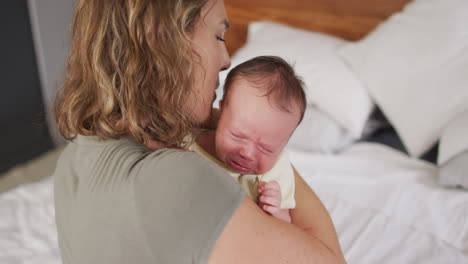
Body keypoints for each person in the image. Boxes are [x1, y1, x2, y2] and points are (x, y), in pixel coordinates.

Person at [53, 0, 346, 263]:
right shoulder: (180, 176)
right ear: (163, 40)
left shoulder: (74, 154)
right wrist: (263, 141)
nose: (227, 58)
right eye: (218, 36)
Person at [190, 56, 306, 223]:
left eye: (266, 148)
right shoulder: (190, 143)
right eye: (237, 135)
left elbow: (285, 226)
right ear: (221, 112)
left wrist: (276, 211)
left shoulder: (275, 174)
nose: (247, 153)